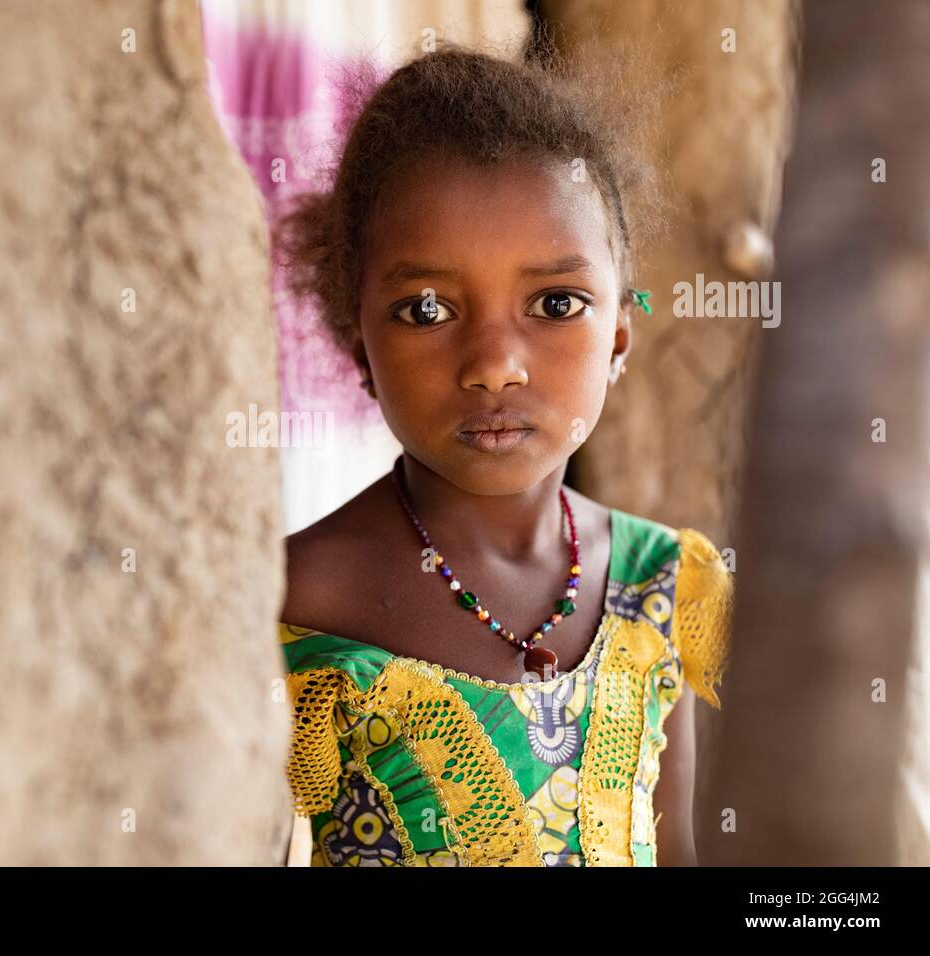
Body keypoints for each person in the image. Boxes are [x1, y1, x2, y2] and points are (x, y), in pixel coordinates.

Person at [274, 43, 732, 867]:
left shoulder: (659, 585)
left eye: (555, 303)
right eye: (425, 309)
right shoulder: (295, 600)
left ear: (620, 336)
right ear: (358, 347)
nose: (494, 363)